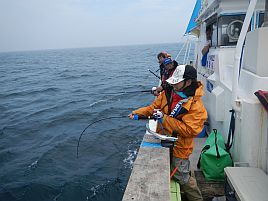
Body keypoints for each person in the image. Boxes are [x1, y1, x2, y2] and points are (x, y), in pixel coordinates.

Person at [129, 65, 207, 201]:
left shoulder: (196, 106)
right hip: (163, 140)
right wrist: (137, 113)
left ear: (188, 82)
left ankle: (197, 198)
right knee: (171, 169)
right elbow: (153, 108)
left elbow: (190, 130)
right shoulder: (168, 92)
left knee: (181, 176)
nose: (174, 85)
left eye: (177, 82)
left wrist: (164, 119)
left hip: (180, 147)